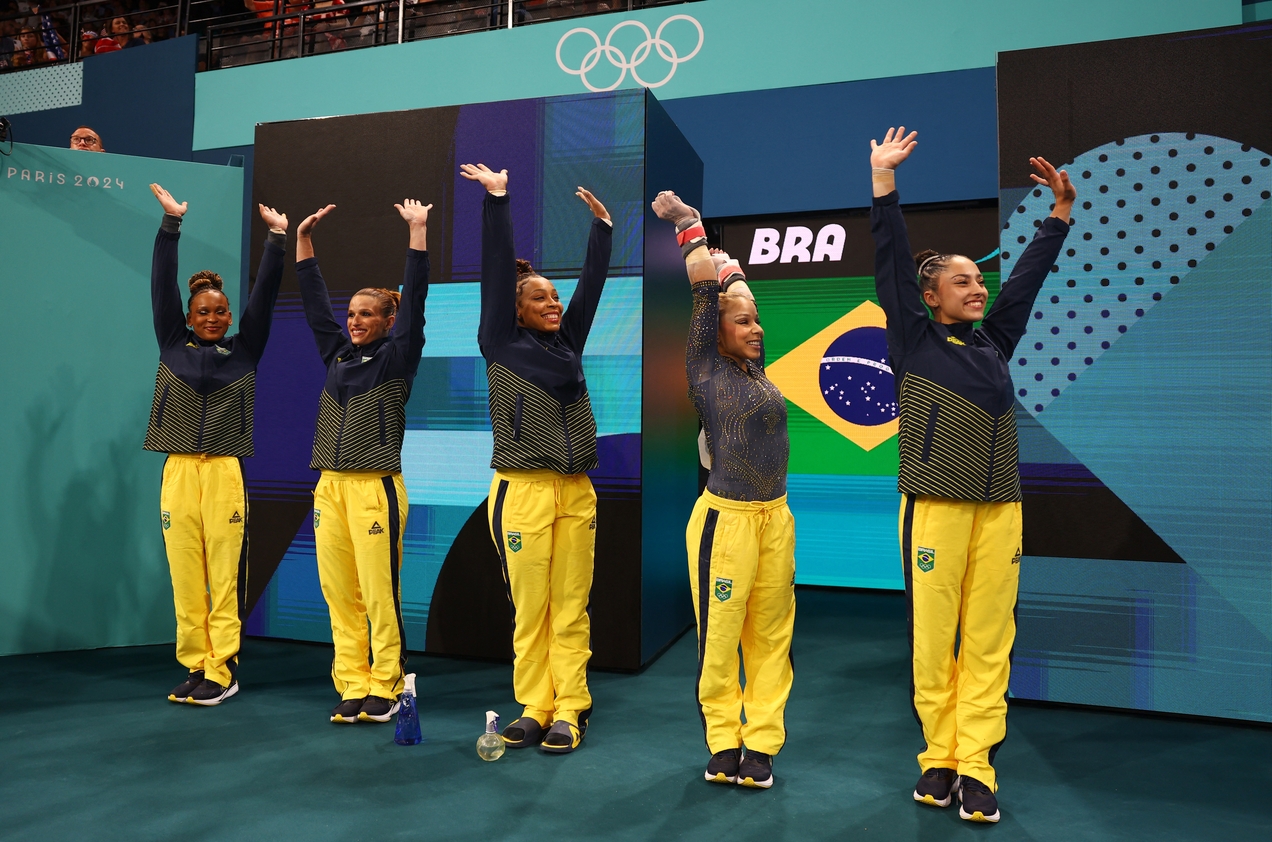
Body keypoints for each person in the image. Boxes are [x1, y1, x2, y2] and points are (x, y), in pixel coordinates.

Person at [868, 127, 1075, 823]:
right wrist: (884, 184)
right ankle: (939, 758)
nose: (977, 288)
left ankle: (978, 764)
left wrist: (1059, 217)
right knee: (936, 641)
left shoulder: (993, 342)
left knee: (989, 640)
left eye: (976, 280)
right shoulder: (913, 337)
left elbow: (1025, 281)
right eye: (962, 281)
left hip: (1001, 510)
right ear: (929, 297)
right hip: (935, 509)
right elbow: (891, 261)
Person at [460, 162, 612, 755]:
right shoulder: (498, 340)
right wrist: (498, 201)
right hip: (520, 490)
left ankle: (569, 707)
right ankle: (533, 704)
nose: (553, 304)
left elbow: (591, 290)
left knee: (571, 604)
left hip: (576, 490)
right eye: (540, 298)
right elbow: (497, 274)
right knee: (533, 607)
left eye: (554, 296)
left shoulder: (567, 342)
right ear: (515, 309)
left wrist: (601, 231)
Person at [651, 191, 797, 790]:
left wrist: (736, 273)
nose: (757, 328)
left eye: (757, 319)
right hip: (725, 522)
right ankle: (723, 739)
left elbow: (732, 287)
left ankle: (761, 743)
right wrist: (690, 227)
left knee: (771, 636)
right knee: (720, 637)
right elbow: (706, 292)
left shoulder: (755, 371)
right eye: (744, 322)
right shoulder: (704, 366)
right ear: (717, 332)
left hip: (776, 519)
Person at [145, 183, 288, 706]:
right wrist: (170, 225)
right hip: (178, 471)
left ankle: (222, 669)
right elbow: (160, 285)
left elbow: (266, 296)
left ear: (230, 316)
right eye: (201, 311)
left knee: (222, 574)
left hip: (225, 472)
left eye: (219, 311)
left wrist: (276, 240)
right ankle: (194, 663)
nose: (211, 317)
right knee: (186, 572)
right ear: (188, 316)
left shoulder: (245, 350)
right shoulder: (169, 341)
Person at [293, 197, 431, 724]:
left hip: (377, 487)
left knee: (379, 592)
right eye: (350, 314)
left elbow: (415, 301)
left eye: (365, 314)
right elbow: (312, 305)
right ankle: (351, 680)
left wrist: (417, 232)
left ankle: (387, 682)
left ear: (388, 319)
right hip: (330, 486)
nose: (353, 321)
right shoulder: (337, 356)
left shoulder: (398, 357)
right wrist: (302, 242)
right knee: (338, 591)